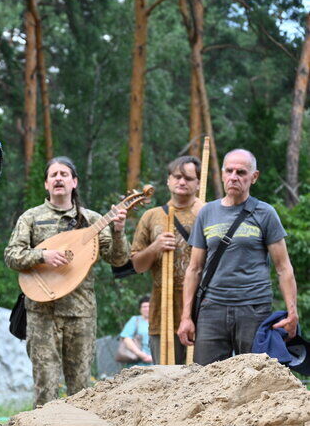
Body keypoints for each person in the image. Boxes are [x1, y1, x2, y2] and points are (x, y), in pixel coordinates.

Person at [4, 157, 129, 406]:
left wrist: (118, 231)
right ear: (46, 184)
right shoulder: (31, 218)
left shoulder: (92, 220)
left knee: (81, 389)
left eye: (64, 174)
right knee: (45, 387)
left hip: (80, 312)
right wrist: (42, 255)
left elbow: (118, 259)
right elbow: (11, 256)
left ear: (74, 182)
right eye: (53, 175)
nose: (58, 178)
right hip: (41, 313)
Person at [178, 149, 298, 364]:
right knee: (205, 380)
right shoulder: (206, 213)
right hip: (212, 308)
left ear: (254, 177)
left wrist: (292, 313)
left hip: (254, 308)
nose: (234, 177)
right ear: (222, 174)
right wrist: (186, 317)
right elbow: (194, 269)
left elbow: (283, 268)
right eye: (229, 171)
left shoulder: (265, 213)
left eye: (241, 172)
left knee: (254, 377)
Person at [130, 156, 203, 364]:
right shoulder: (151, 217)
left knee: (202, 380)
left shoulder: (208, 213)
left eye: (189, 178)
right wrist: (155, 248)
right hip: (162, 312)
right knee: (166, 381)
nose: (182, 182)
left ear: (198, 183)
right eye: (177, 177)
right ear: (168, 181)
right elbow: (137, 265)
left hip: (202, 311)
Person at [119, 296, 152, 366]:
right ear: (140, 309)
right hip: (137, 364)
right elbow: (126, 338)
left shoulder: (159, 322)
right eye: (144, 307)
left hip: (156, 364)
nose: (147, 309)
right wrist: (142, 355)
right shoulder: (135, 320)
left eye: (149, 306)